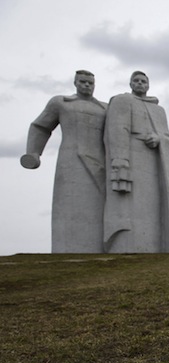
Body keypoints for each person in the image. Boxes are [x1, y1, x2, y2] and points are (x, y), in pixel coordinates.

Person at [20, 70, 107, 253]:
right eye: (83, 82)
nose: (86, 85)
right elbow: (41, 127)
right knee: (69, 205)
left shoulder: (105, 108)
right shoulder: (61, 103)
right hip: (71, 161)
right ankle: (67, 248)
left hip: (100, 163)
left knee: (100, 207)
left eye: (90, 83)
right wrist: (34, 153)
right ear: (75, 83)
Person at [103, 71, 169, 253]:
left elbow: (167, 136)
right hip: (131, 157)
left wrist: (159, 138)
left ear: (148, 85)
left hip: (153, 161)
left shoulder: (158, 110)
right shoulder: (122, 101)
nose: (140, 83)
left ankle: (154, 247)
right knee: (128, 204)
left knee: (153, 206)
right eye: (136, 81)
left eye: (143, 81)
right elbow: (116, 129)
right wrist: (120, 160)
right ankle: (125, 246)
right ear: (130, 84)